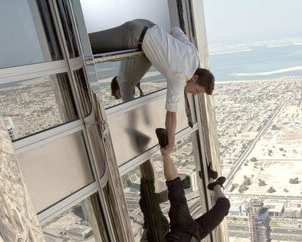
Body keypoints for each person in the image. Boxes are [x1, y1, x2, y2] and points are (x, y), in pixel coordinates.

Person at [89, 19, 215, 152]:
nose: (193, 93)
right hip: (134, 34)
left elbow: (175, 30)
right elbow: (171, 116)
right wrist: (171, 144)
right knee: (87, 45)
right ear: (195, 78)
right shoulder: (179, 77)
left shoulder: (194, 55)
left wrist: (168, 47)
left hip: (146, 25)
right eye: (196, 90)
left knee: (88, 45)